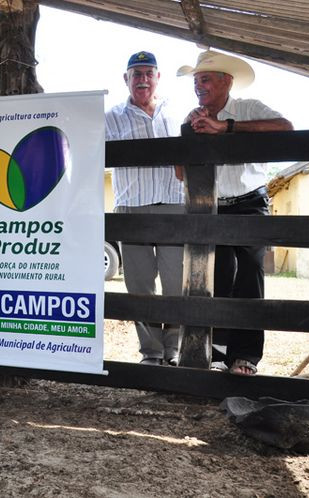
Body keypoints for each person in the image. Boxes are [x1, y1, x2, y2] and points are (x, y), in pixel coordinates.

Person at [177, 50, 293, 376]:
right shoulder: (192, 117)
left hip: (250, 201)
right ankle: (215, 353)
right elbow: (180, 175)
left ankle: (245, 357)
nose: (199, 86)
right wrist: (188, 133)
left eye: (206, 79)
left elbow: (286, 127)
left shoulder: (248, 108)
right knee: (216, 277)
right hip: (212, 205)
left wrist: (225, 127)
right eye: (196, 81)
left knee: (251, 273)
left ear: (227, 81)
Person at [105, 51, 185, 366]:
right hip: (132, 208)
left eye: (148, 73)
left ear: (158, 78)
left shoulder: (176, 113)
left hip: (173, 205)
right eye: (136, 74)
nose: (143, 79)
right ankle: (151, 352)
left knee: (175, 283)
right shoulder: (110, 117)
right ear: (126, 79)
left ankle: (174, 350)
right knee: (139, 284)